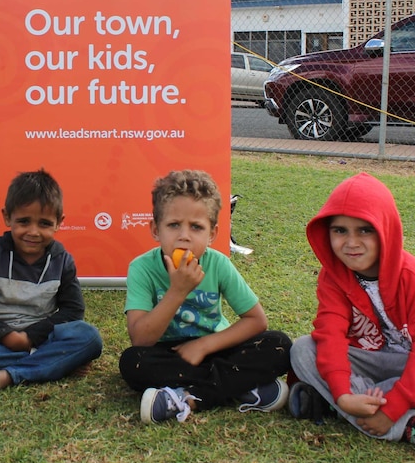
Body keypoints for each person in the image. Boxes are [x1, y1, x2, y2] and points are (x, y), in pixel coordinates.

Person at [289, 173, 415, 456]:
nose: (351, 242)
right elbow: (330, 334)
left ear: (386, 231)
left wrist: (393, 406)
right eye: (339, 230)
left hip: (410, 365)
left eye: (365, 230)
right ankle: (410, 428)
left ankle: (336, 407)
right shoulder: (332, 277)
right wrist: (343, 392)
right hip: (366, 361)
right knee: (303, 349)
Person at [119, 169, 292, 424]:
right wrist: (177, 290)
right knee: (132, 362)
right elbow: (141, 339)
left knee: (279, 344)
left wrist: (204, 345)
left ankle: (186, 397)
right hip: (171, 353)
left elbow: (256, 320)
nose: (184, 236)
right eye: (173, 225)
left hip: (217, 347)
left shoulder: (219, 264)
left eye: (196, 227)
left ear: (212, 234)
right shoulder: (141, 268)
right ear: (156, 229)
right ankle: (240, 387)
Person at [0, 169, 103, 396]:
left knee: (88, 337)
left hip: (42, 337)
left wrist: (30, 337)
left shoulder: (62, 260)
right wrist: (6, 335)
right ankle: (57, 361)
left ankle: (12, 374)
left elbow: (73, 310)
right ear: (7, 217)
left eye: (44, 223)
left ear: (59, 223)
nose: (33, 232)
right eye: (23, 221)